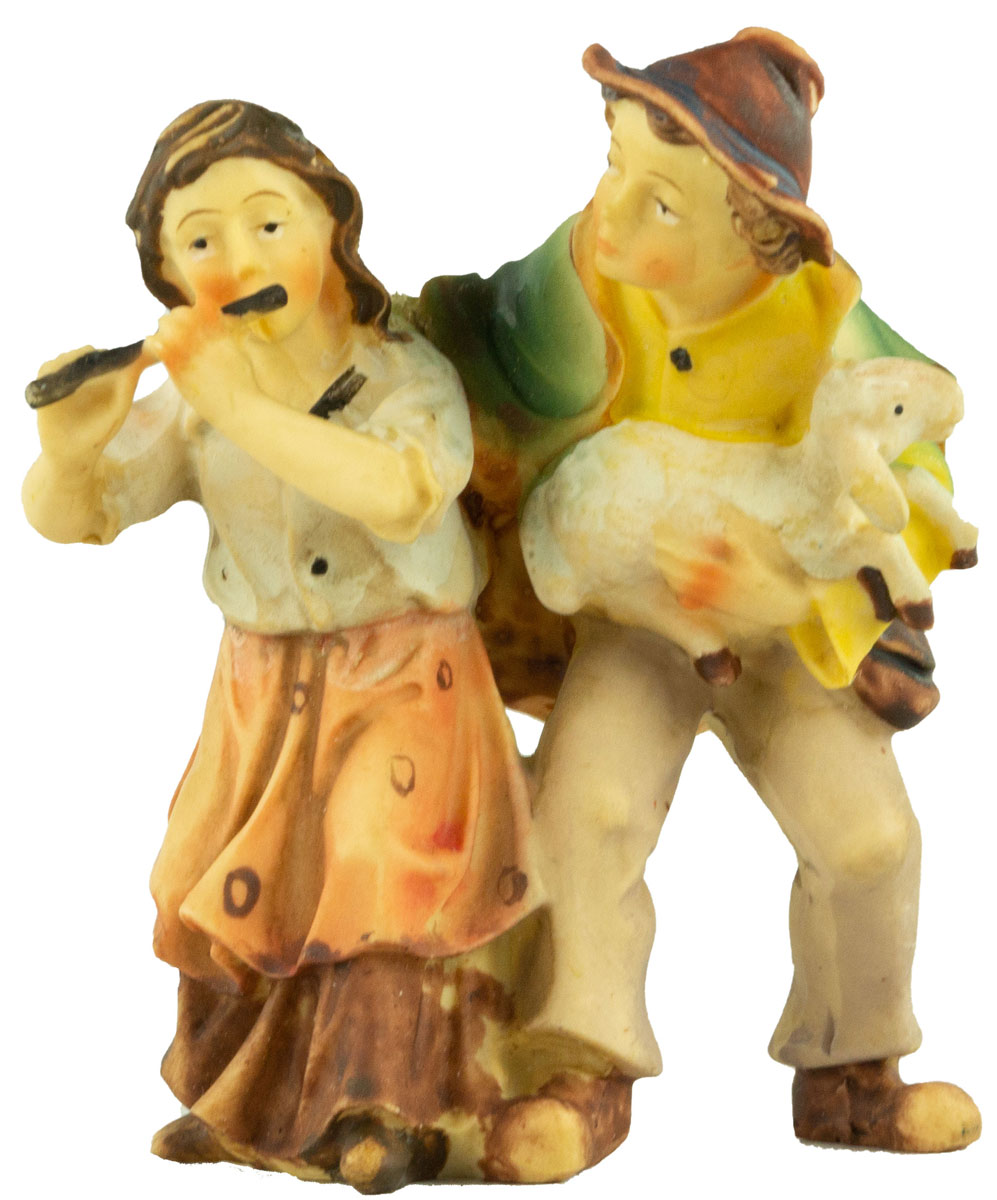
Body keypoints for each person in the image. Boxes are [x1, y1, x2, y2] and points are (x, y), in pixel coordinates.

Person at [22, 101, 629, 1192]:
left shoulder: (399, 374)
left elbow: (401, 494)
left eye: (270, 222)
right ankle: (249, 1101)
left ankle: (382, 1109)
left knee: (375, 867)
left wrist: (241, 407)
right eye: (200, 240)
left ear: (332, 228)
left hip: (404, 673)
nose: (241, 257)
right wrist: (69, 451)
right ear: (169, 277)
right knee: (233, 876)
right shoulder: (200, 400)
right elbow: (82, 517)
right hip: (260, 685)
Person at [415, 29, 981, 1152]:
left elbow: (915, 458)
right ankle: (578, 1065)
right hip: (633, 617)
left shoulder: (823, 324)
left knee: (870, 839)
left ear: (760, 237)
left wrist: (788, 583)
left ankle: (853, 1068)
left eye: (662, 204)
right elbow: (459, 334)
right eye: (613, 168)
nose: (613, 213)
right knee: (584, 811)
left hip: (783, 621)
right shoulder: (576, 282)